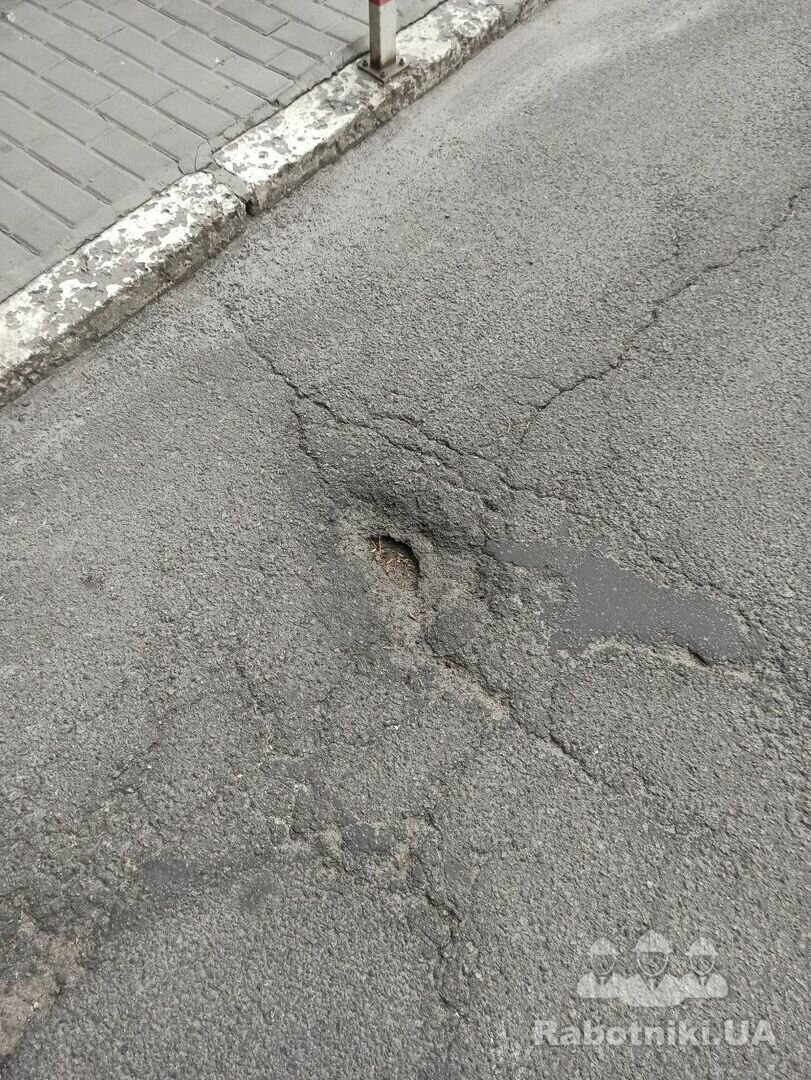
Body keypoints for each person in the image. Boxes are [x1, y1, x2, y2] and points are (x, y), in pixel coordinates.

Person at [623, 931, 685, 1006]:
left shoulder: (674, 985)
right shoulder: (631, 984)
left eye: (658, 955)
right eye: (645, 955)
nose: (652, 961)